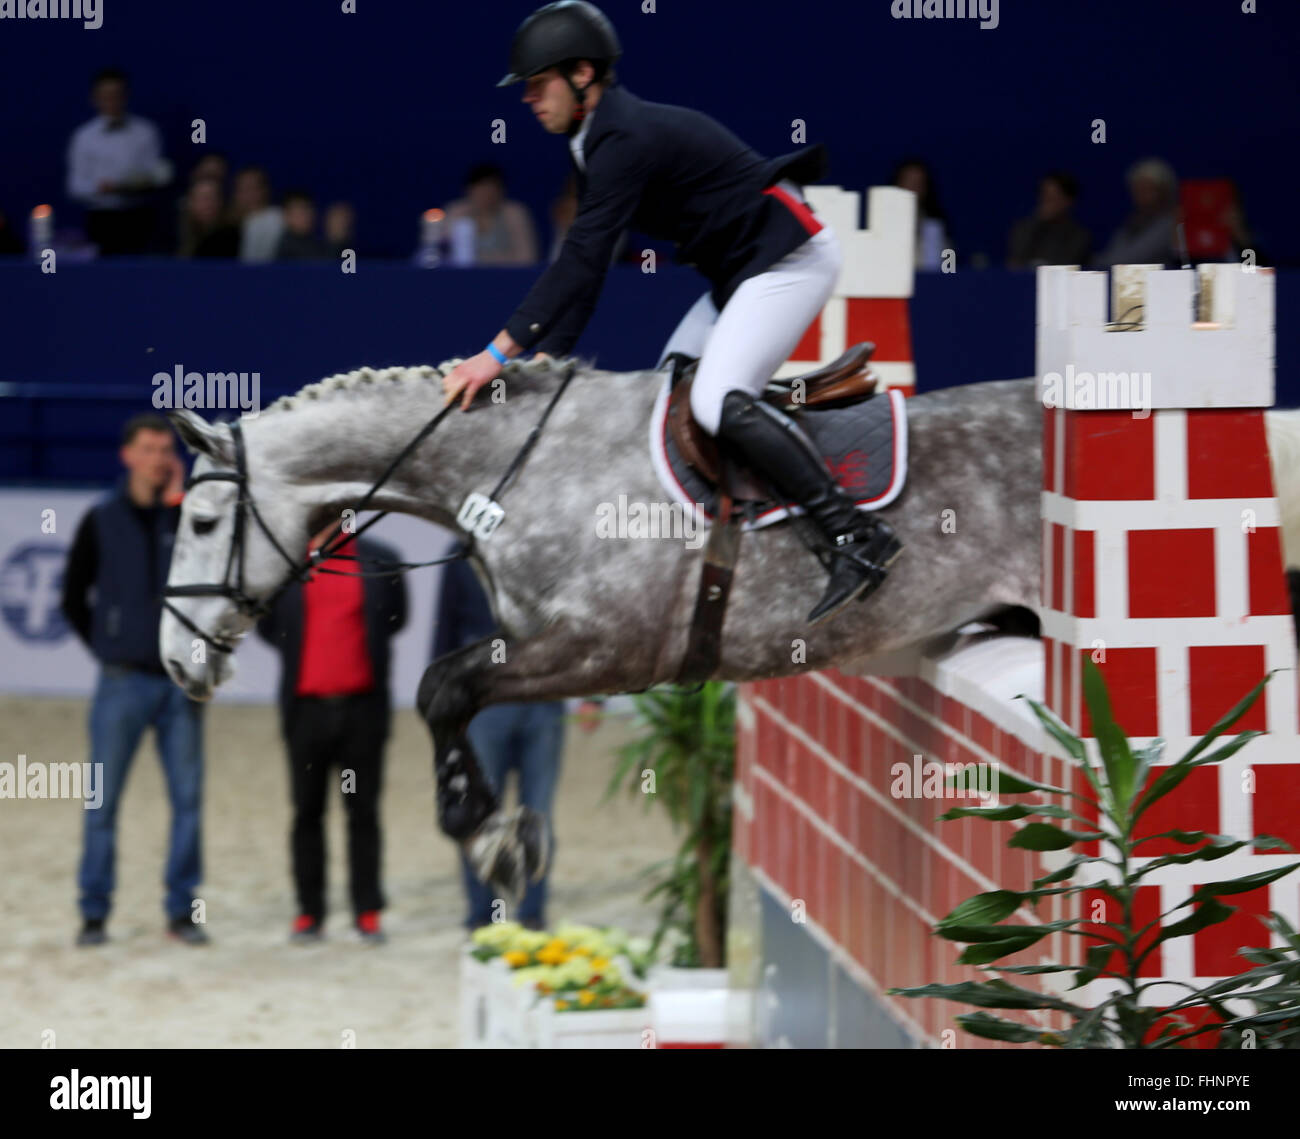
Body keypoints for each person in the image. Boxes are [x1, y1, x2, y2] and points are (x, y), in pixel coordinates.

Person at [441, 0, 901, 626]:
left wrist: (495, 355)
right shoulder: (595, 138)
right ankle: (739, 539)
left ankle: (853, 536)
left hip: (790, 259)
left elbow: (579, 257)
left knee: (714, 401)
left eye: (537, 83)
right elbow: (593, 264)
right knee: (670, 390)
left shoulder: (619, 136)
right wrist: (554, 352)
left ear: (582, 75)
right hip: (744, 274)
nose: (526, 98)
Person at [60, 414, 207, 947]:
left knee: (188, 803)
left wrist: (181, 506)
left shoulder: (188, 517)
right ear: (127, 456)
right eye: (148, 448)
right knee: (102, 803)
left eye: (165, 449)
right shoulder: (101, 518)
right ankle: (94, 914)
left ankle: (183, 914)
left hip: (177, 684)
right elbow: (73, 596)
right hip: (120, 682)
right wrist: (108, 646)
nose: (159, 457)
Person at [256, 527, 407, 944]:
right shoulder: (286, 562)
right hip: (305, 711)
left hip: (362, 709)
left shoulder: (381, 558)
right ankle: (310, 913)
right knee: (307, 813)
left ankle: (367, 910)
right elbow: (268, 625)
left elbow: (396, 619)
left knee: (363, 813)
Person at [433, 547, 586, 931]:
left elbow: (577, 620)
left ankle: (531, 913)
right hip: (484, 705)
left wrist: (592, 690)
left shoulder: (550, 550)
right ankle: (483, 914)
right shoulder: (459, 558)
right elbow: (445, 628)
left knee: (537, 814)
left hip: (543, 700)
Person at [66, 68, 171, 255]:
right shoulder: (84, 137)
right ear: (95, 98)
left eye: (117, 95)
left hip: (140, 217)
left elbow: (157, 174)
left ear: (126, 96)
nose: (112, 101)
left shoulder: (146, 131)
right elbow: (75, 185)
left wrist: (139, 184)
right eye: (106, 95)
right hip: (102, 220)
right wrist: (101, 188)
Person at [444, 163, 539, 266]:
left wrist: (480, 261)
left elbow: (527, 257)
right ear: (469, 189)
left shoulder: (515, 214)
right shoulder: (456, 212)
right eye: (481, 187)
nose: (487, 193)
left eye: (492, 187)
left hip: (507, 277)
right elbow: (445, 254)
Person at [1094, 157, 1179, 268]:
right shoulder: (1132, 222)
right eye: (1137, 189)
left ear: (1164, 192)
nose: (1141, 195)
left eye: (1148, 189)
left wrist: (1093, 263)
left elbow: (1130, 259)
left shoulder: (1170, 223)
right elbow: (1113, 254)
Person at [1006, 171, 1092, 269]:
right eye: (1045, 195)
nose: (1047, 202)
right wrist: (1037, 224)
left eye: (1054, 197)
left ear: (1068, 200)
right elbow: (1015, 262)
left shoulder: (1079, 236)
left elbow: (1065, 265)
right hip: (1023, 283)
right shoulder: (1024, 228)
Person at [892, 157, 951, 272]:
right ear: (897, 183)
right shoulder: (882, 222)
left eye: (919, 182)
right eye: (909, 181)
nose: (914, 187)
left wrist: (950, 273)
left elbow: (950, 259)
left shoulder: (936, 221)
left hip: (932, 284)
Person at [231, 165, 285, 263]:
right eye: (242, 189)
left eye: (252, 188)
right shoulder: (227, 223)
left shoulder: (278, 219)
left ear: (264, 190)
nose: (247, 194)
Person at [177, 176, 239, 258]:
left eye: (212, 198)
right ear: (190, 203)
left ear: (220, 202)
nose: (208, 204)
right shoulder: (177, 235)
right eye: (202, 198)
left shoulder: (231, 237)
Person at [274, 190, 333, 260]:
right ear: (286, 216)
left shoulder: (314, 241)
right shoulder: (287, 247)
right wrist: (335, 242)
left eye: (308, 209)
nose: (307, 215)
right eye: (300, 211)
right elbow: (321, 267)